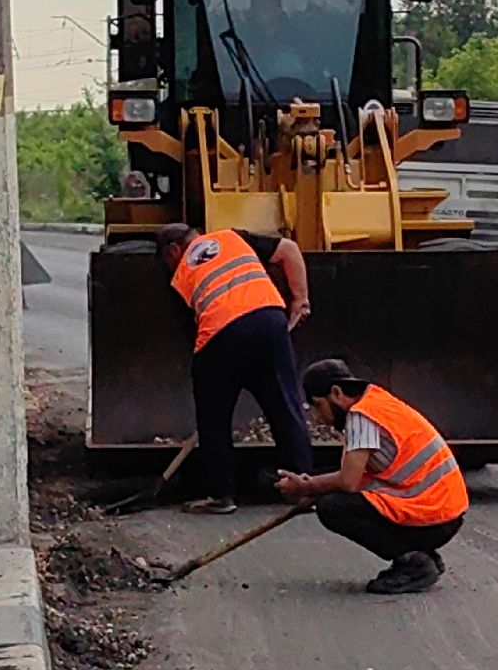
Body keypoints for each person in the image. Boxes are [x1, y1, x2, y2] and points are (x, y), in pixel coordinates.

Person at [156, 223, 315, 514]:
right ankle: (304, 487)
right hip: (270, 320)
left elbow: (194, 332)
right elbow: (290, 250)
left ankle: (220, 494)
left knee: (214, 416)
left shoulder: (180, 275)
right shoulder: (234, 237)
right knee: (285, 405)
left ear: (174, 250)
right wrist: (299, 300)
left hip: (221, 336)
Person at [275, 359, 468, 595]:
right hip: (445, 511)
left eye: (317, 405)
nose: (318, 417)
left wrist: (306, 487)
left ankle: (413, 563)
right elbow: (366, 477)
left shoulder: (360, 417)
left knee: (333, 508)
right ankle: (421, 556)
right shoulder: (376, 402)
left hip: (432, 514)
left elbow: (348, 481)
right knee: (333, 499)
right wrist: (315, 489)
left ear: (336, 393)